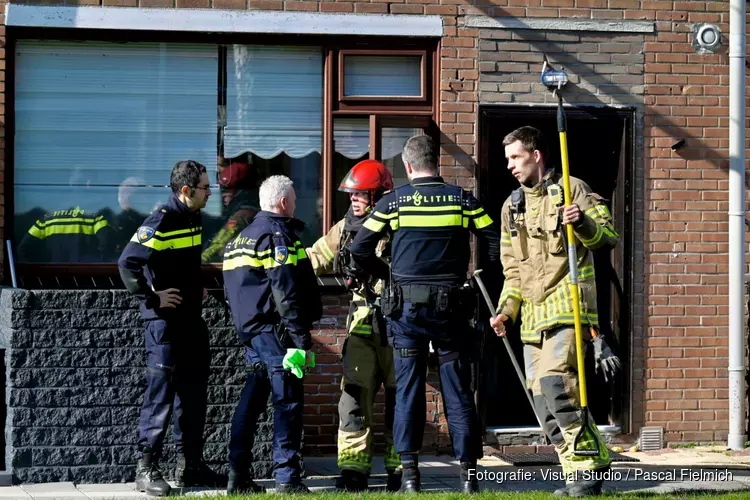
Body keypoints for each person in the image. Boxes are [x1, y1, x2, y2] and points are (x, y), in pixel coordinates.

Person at [348, 135, 500, 493]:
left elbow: (358, 248)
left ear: (408, 166)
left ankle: (411, 476)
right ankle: (468, 476)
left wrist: (387, 275)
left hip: (406, 312)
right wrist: (481, 281)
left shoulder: (393, 203)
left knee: (408, 391)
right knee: (459, 390)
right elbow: (494, 238)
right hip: (452, 310)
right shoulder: (462, 200)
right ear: (437, 162)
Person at [490, 126, 620, 498]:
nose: (510, 166)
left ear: (536, 154)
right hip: (531, 315)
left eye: (515, 157)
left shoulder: (571, 189)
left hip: (569, 307)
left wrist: (581, 221)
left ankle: (587, 474)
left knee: (557, 387)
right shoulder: (510, 206)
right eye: (507, 159)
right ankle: (578, 469)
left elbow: (607, 238)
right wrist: (506, 312)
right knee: (543, 403)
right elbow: (512, 269)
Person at [118, 160, 220, 497]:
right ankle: (146, 470)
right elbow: (128, 262)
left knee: (193, 396)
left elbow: (183, 262)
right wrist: (152, 296)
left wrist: (196, 286)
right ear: (186, 190)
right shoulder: (162, 217)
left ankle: (190, 467)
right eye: (206, 187)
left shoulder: (194, 217)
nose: (211, 192)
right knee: (160, 396)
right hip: (164, 325)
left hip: (191, 320)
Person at [223, 174, 322, 494]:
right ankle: (287, 478)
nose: (295, 204)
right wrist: (299, 337)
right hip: (276, 333)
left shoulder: (240, 238)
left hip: (252, 333)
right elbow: (285, 289)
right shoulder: (276, 235)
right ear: (283, 202)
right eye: (293, 199)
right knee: (288, 401)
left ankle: (238, 475)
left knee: (251, 403)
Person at [306, 160, 401, 492]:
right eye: (352, 195)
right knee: (353, 400)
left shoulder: (400, 227)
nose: (354, 201)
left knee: (400, 400)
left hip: (396, 327)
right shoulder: (345, 228)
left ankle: (400, 470)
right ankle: (353, 471)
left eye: (360, 195)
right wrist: (281, 263)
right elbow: (316, 256)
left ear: (378, 195)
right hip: (361, 327)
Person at [202, 161, 259, 263]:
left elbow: (223, 237)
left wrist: (204, 258)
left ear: (241, 191)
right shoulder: (239, 210)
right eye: (222, 189)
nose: (223, 194)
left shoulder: (243, 214)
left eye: (228, 189)